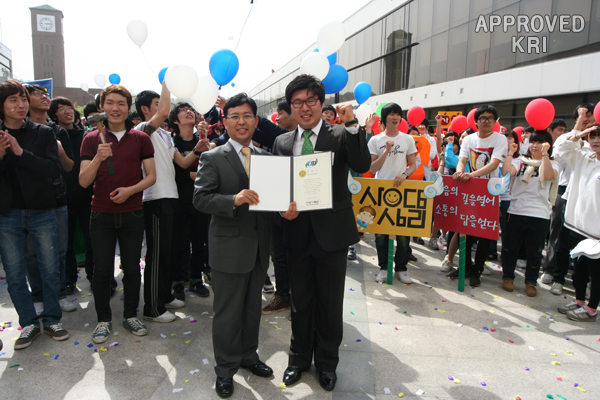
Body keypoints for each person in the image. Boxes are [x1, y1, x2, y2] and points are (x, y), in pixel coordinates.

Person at [272, 75, 371, 392]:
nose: (304, 107)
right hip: (296, 232)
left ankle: (327, 364)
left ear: (320, 103)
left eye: (310, 101)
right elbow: (278, 187)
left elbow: (361, 162)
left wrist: (353, 123)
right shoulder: (283, 142)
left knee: (329, 304)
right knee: (300, 303)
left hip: (332, 234)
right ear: (290, 107)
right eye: (297, 102)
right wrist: (280, 207)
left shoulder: (341, 134)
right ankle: (298, 360)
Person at [193, 93, 274, 398]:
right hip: (227, 248)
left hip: (258, 247)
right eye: (235, 116)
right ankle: (225, 369)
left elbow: (272, 198)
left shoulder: (267, 158)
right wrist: (234, 199)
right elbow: (200, 198)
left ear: (256, 120)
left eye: (247, 115)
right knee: (227, 312)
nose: (242, 122)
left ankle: (248, 356)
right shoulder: (212, 157)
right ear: (224, 121)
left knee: (253, 308)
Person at [79, 84, 156, 344]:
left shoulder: (140, 138)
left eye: (121, 103)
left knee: (133, 268)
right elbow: (82, 181)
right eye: (110, 103)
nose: (115, 108)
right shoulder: (91, 138)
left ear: (128, 108)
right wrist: (98, 159)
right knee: (101, 271)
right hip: (100, 214)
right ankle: (103, 320)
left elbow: (151, 177)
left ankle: (130, 315)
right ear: (102, 107)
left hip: (133, 213)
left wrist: (130, 191)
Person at [0, 80, 69, 349]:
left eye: (23, 99)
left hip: (41, 209)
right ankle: (28, 322)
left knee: (50, 268)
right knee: (15, 273)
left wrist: (20, 152)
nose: (21, 105)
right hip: (7, 213)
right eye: (13, 100)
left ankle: (52, 318)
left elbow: (53, 170)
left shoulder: (42, 132)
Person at [135, 83, 208, 322]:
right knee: (156, 255)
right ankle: (152, 308)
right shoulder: (142, 130)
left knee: (167, 253)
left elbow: (184, 163)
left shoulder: (165, 136)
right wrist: (169, 81)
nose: (161, 109)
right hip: (155, 198)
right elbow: (165, 113)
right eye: (157, 105)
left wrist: (197, 150)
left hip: (172, 198)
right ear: (146, 109)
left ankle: (164, 296)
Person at [24, 85, 75, 314]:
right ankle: (38, 296)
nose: (45, 96)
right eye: (37, 94)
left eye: (46, 93)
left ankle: (60, 293)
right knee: (32, 254)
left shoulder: (57, 131)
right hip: (27, 202)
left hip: (57, 198)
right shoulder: (17, 129)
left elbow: (69, 166)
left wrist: (61, 151)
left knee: (60, 250)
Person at [452, 105, 507, 287]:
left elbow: (494, 164)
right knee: (465, 229)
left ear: (495, 121)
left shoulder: (500, 139)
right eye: (482, 118)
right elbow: (462, 160)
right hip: (470, 190)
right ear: (476, 121)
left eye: (490, 118)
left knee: (484, 233)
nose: (486, 121)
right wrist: (460, 173)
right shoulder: (468, 139)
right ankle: (465, 266)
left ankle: (478, 270)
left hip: (490, 191)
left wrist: (471, 175)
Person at [501, 130, 559, 297]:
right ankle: (508, 277)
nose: (535, 145)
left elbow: (548, 175)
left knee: (535, 252)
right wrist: (510, 154)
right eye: (533, 141)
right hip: (516, 211)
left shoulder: (553, 163)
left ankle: (531, 282)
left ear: (547, 145)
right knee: (511, 248)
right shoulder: (520, 161)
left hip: (540, 214)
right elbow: (506, 173)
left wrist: (545, 155)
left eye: (540, 142)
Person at [48, 96, 94, 295]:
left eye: (69, 107)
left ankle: (95, 276)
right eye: (61, 109)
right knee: (65, 243)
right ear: (54, 114)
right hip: (62, 198)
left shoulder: (86, 135)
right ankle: (69, 280)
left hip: (86, 195)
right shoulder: (49, 135)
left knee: (92, 239)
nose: (67, 111)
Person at [368, 102, 417, 284]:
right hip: (380, 190)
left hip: (402, 190)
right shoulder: (375, 140)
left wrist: (404, 174)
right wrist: (387, 149)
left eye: (398, 114)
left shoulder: (407, 139)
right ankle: (383, 267)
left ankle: (402, 268)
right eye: (392, 114)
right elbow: (372, 168)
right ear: (385, 118)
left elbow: (413, 164)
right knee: (381, 234)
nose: (395, 118)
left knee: (403, 234)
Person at [555, 123, 600, 322]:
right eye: (593, 136)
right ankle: (580, 300)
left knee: (596, 271)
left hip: (597, 230)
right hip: (577, 224)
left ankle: (592, 308)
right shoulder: (584, 158)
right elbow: (561, 148)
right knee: (579, 268)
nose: (596, 140)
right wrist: (578, 134)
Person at [169, 102, 212, 300]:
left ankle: (196, 279)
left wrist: (204, 143)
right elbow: (180, 168)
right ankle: (178, 280)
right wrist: (191, 173)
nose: (189, 112)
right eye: (183, 111)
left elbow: (210, 169)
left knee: (200, 242)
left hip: (201, 200)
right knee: (179, 243)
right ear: (175, 121)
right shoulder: (170, 143)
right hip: (179, 200)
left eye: (191, 110)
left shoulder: (203, 140)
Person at [262, 100, 298, 315]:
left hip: (305, 211)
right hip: (278, 207)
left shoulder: (316, 140)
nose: (278, 117)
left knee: (298, 257)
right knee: (279, 256)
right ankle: (282, 295)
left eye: (281, 113)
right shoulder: (279, 140)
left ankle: (299, 301)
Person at [539, 118, 567, 284]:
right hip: (560, 192)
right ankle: (550, 269)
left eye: (565, 130)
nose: (563, 133)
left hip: (573, 192)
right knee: (554, 233)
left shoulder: (583, 146)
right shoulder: (560, 148)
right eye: (560, 130)